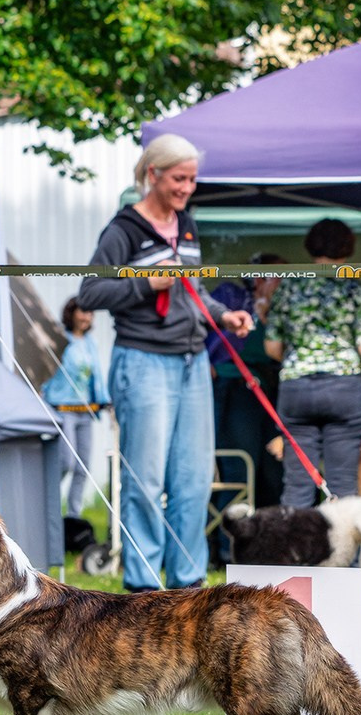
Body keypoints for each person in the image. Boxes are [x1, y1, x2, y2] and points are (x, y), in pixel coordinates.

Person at [78, 133, 252, 592]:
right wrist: (145, 284)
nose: (187, 188)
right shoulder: (124, 231)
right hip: (144, 363)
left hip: (193, 364)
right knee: (146, 483)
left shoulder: (188, 224)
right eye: (179, 178)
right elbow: (90, 293)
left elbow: (194, 292)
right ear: (152, 174)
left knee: (194, 482)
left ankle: (188, 585)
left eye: (192, 179)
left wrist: (222, 315)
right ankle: (143, 586)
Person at [264, 218, 361, 507]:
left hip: (296, 389)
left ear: (311, 245)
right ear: (348, 246)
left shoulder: (289, 287)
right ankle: (347, 554)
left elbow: (272, 347)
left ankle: (295, 552)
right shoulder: (351, 288)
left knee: (297, 485)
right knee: (344, 484)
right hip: (343, 389)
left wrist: (300, 361)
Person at [205, 254, 286, 563]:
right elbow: (208, 333)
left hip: (269, 393)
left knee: (270, 471)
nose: (280, 284)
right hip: (232, 392)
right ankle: (226, 550)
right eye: (274, 277)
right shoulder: (229, 296)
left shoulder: (281, 308)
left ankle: (264, 547)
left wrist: (268, 313)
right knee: (238, 469)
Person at [41, 297, 110, 519]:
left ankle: (73, 516)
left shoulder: (90, 343)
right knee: (66, 462)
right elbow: (46, 370)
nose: (86, 317)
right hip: (62, 409)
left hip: (85, 411)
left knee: (83, 467)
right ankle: (48, 504)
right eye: (83, 312)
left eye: (90, 313)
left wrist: (104, 400)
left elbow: (96, 375)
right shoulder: (60, 338)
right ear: (71, 313)